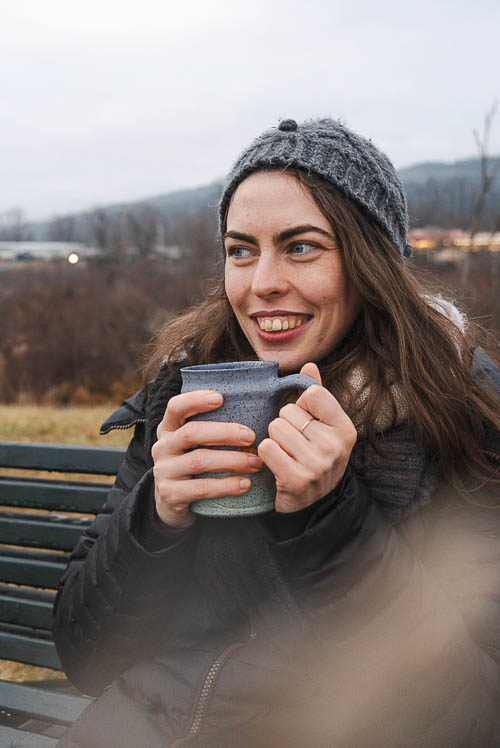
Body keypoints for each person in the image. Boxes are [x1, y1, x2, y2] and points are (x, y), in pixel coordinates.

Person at [53, 118, 500, 747]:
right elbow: (85, 658)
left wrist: (330, 517)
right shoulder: (190, 390)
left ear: (372, 263)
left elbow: (475, 715)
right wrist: (154, 518)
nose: (261, 283)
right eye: (241, 250)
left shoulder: (459, 412)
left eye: (300, 247)